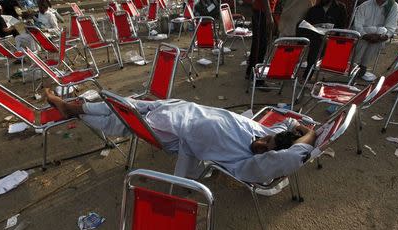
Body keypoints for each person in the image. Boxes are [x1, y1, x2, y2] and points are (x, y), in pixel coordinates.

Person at [44, 88, 316, 185]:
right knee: (127, 106)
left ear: (270, 155)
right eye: (265, 140)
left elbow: (291, 157)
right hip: (176, 108)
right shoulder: (261, 133)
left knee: (123, 117)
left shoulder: (248, 162)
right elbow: (288, 126)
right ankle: (76, 108)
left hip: (170, 131)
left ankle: (74, 108)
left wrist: (312, 134)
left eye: (264, 147)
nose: (260, 142)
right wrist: (300, 130)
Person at [296, 0, 348, 79]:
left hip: (332, 39)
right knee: (302, 27)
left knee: (318, 44)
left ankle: (308, 75)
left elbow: (342, 27)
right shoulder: (314, 9)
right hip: (315, 38)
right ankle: (306, 72)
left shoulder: (340, 8)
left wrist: (333, 34)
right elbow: (308, 25)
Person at [353, 0, 398, 79]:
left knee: (382, 31)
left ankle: (363, 66)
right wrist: (366, 35)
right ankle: (354, 65)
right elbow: (357, 25)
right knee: (367, 35)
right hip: (363, 35)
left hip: (379, 37)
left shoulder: (392, 5)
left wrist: (381, 37)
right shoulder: (365, 5)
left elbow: (390, 28)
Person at [245, 0, 278, 84]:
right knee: (260, 46)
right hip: (262, 11)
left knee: (259, 44)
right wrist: (269, 15)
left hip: (263, 11)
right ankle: (257, 79)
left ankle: (250, 73)